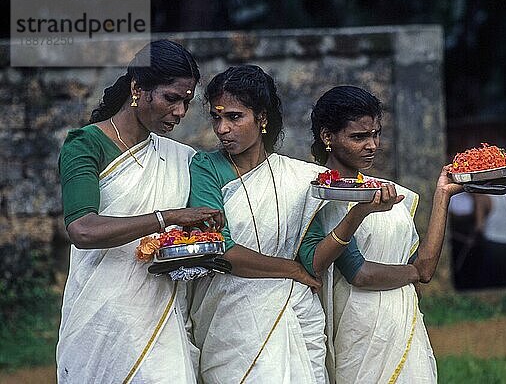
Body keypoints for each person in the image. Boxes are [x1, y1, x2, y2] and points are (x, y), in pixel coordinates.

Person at [187, 66, 400, 383]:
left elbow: (313, 263)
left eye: (234, 117)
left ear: (261, 118)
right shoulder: (206, 168)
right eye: (217, 118)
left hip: (294, 315)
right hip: (231, 321)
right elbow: (219, 249)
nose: (222, 129)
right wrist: (291, 270)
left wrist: (358, 213)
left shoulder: (300, 179)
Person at [56, 40, 225, 383]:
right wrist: (169, 217)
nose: (180, 112)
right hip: (102, 319)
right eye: (171, 98)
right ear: (137, 88)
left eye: (187, 102)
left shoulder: (181, 158)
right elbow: (82, 230)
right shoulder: (86, 145)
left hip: (161, 316)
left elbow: (189, 233)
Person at [299, 86, 463, 383]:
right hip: (359, 332)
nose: (372, 145)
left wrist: (443, 194)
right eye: (359, 137)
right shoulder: (318, 194)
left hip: (401, 324)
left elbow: (423, 266)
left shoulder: (385, 190)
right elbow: (359, 273)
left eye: (375, 134)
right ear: (327, 137)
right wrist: (415, 273)